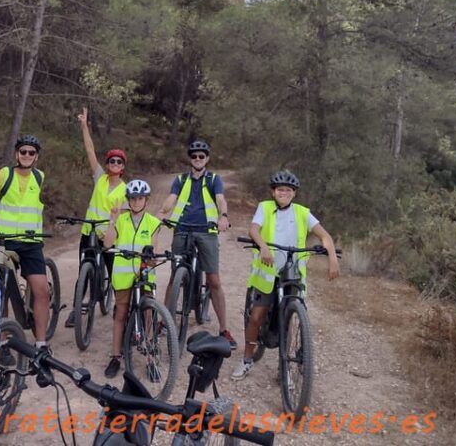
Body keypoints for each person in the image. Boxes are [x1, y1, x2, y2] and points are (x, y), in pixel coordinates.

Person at [231, 170, 340, 380]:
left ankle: (284, 367)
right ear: (273, 192)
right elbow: (254, 229)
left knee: (290, 320)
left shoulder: (302, 212)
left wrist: (332, 258)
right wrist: (263, 247)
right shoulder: (264, 207)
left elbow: (324, 235)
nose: (284, 193)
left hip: (293, 271)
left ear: (294, 193)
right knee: (256, 317)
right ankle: (246, 360)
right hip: (268, 272)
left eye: (288, 190)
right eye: (280, 190)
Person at [158, 139, 236, 348]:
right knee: (175, 277)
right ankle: (163, 322)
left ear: (207, 159)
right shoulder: (181, 179)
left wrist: (223, 216)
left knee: (214, 280)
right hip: (182, 229)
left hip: (206, 231)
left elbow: (220, 200)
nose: (198, 159)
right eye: (194, 156)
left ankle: (224, 329)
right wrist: (162, 212)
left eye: (202, 156)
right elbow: (171, 199)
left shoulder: (214, 179)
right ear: (190, 159)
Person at [0, 135, 50, 349]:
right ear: (16, 153)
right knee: (1, 291)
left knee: (42, 291)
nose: (27, 155)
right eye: (23, 151)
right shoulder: (2, 175)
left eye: (31, 152)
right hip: (4, 242)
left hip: (31, 242)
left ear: (36, 157)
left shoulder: (39, 177)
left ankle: (41, 343)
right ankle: (2, 340)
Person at [64, 106, 127, 328]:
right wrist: (84, 126)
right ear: (107, 164)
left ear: (123, 168)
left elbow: (125, 218)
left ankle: (120, 308)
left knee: (115, 274)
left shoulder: (125, 191)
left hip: (109, 236)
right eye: (112, 161)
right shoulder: (100, 178)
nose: (115, 165)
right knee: (85, 270)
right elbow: (90, 151)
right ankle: (76, 309)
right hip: (89, 232)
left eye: (119, 162)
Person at [101, 179, 161, 378]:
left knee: (149, 314)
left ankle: (151, 359)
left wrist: (151, 258)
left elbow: (153, 250)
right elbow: (108, 244)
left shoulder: (153, 223)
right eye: (133, 199)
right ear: (128, 200)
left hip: (143, 274)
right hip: (123, 275)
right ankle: (115, 357)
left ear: (146, 200)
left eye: (140, 198)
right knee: (120, 314)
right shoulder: (121, 220)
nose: (136, 202)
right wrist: (112, 219)